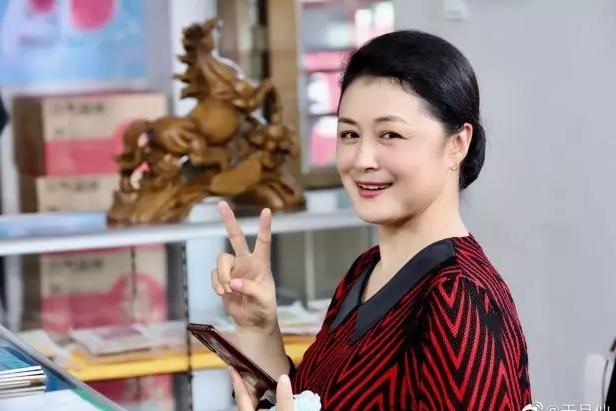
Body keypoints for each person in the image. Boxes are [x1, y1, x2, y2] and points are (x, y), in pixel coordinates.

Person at [213, 30, 532, 410]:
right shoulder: (365, 270)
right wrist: (258, 327)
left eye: (390, 134)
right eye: (349, 134)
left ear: (457, 144)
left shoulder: (459, 298)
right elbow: (311, 399)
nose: (362, 159)